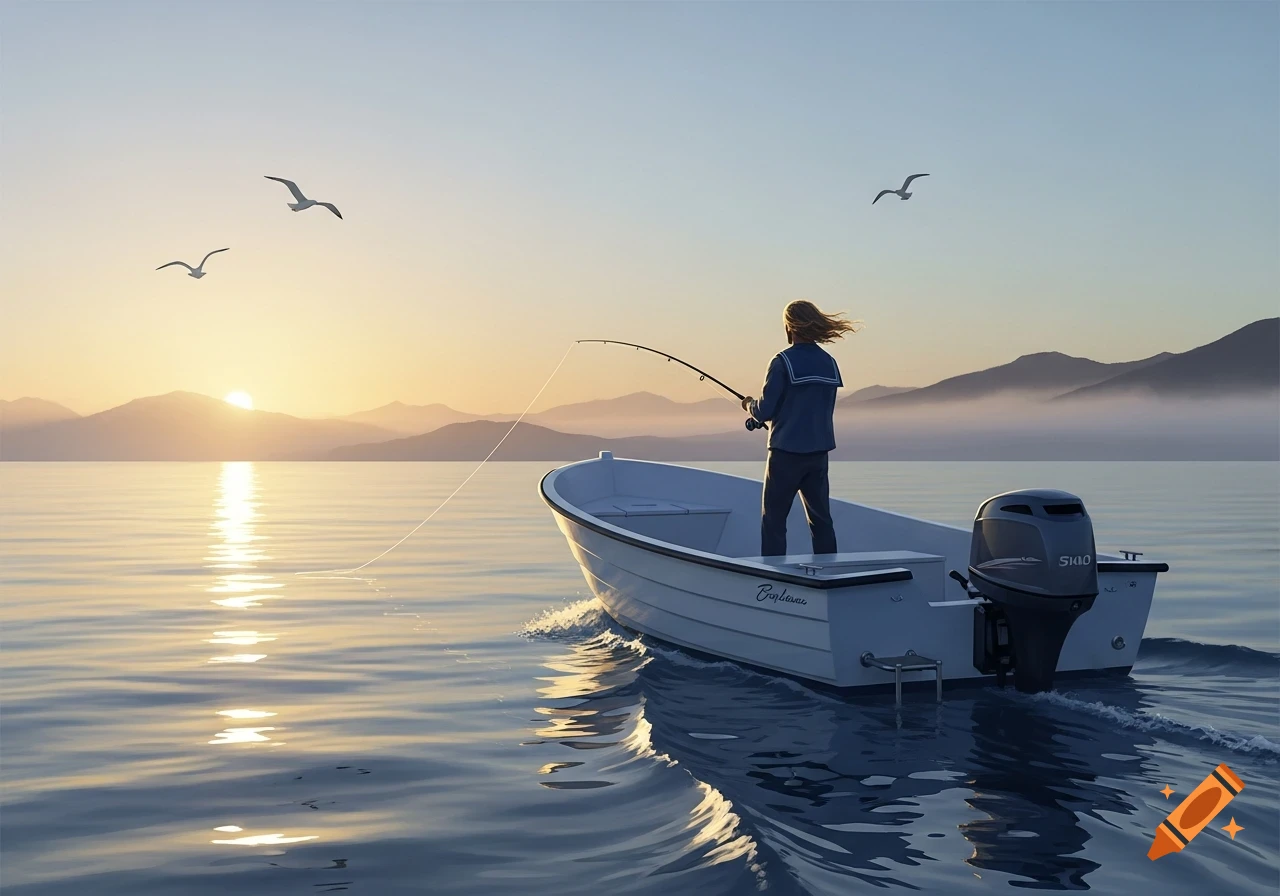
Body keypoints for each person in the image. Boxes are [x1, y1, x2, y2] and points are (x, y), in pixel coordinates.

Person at [742, 300, 859, 557]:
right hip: (819, 454)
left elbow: (765, 410)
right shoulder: (829, 363)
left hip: (785, 453)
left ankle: (773, 577)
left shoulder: (782, 361)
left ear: (789, 327)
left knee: (773, 521)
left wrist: (749, 406)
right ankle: (828, 573)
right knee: (821, 520)